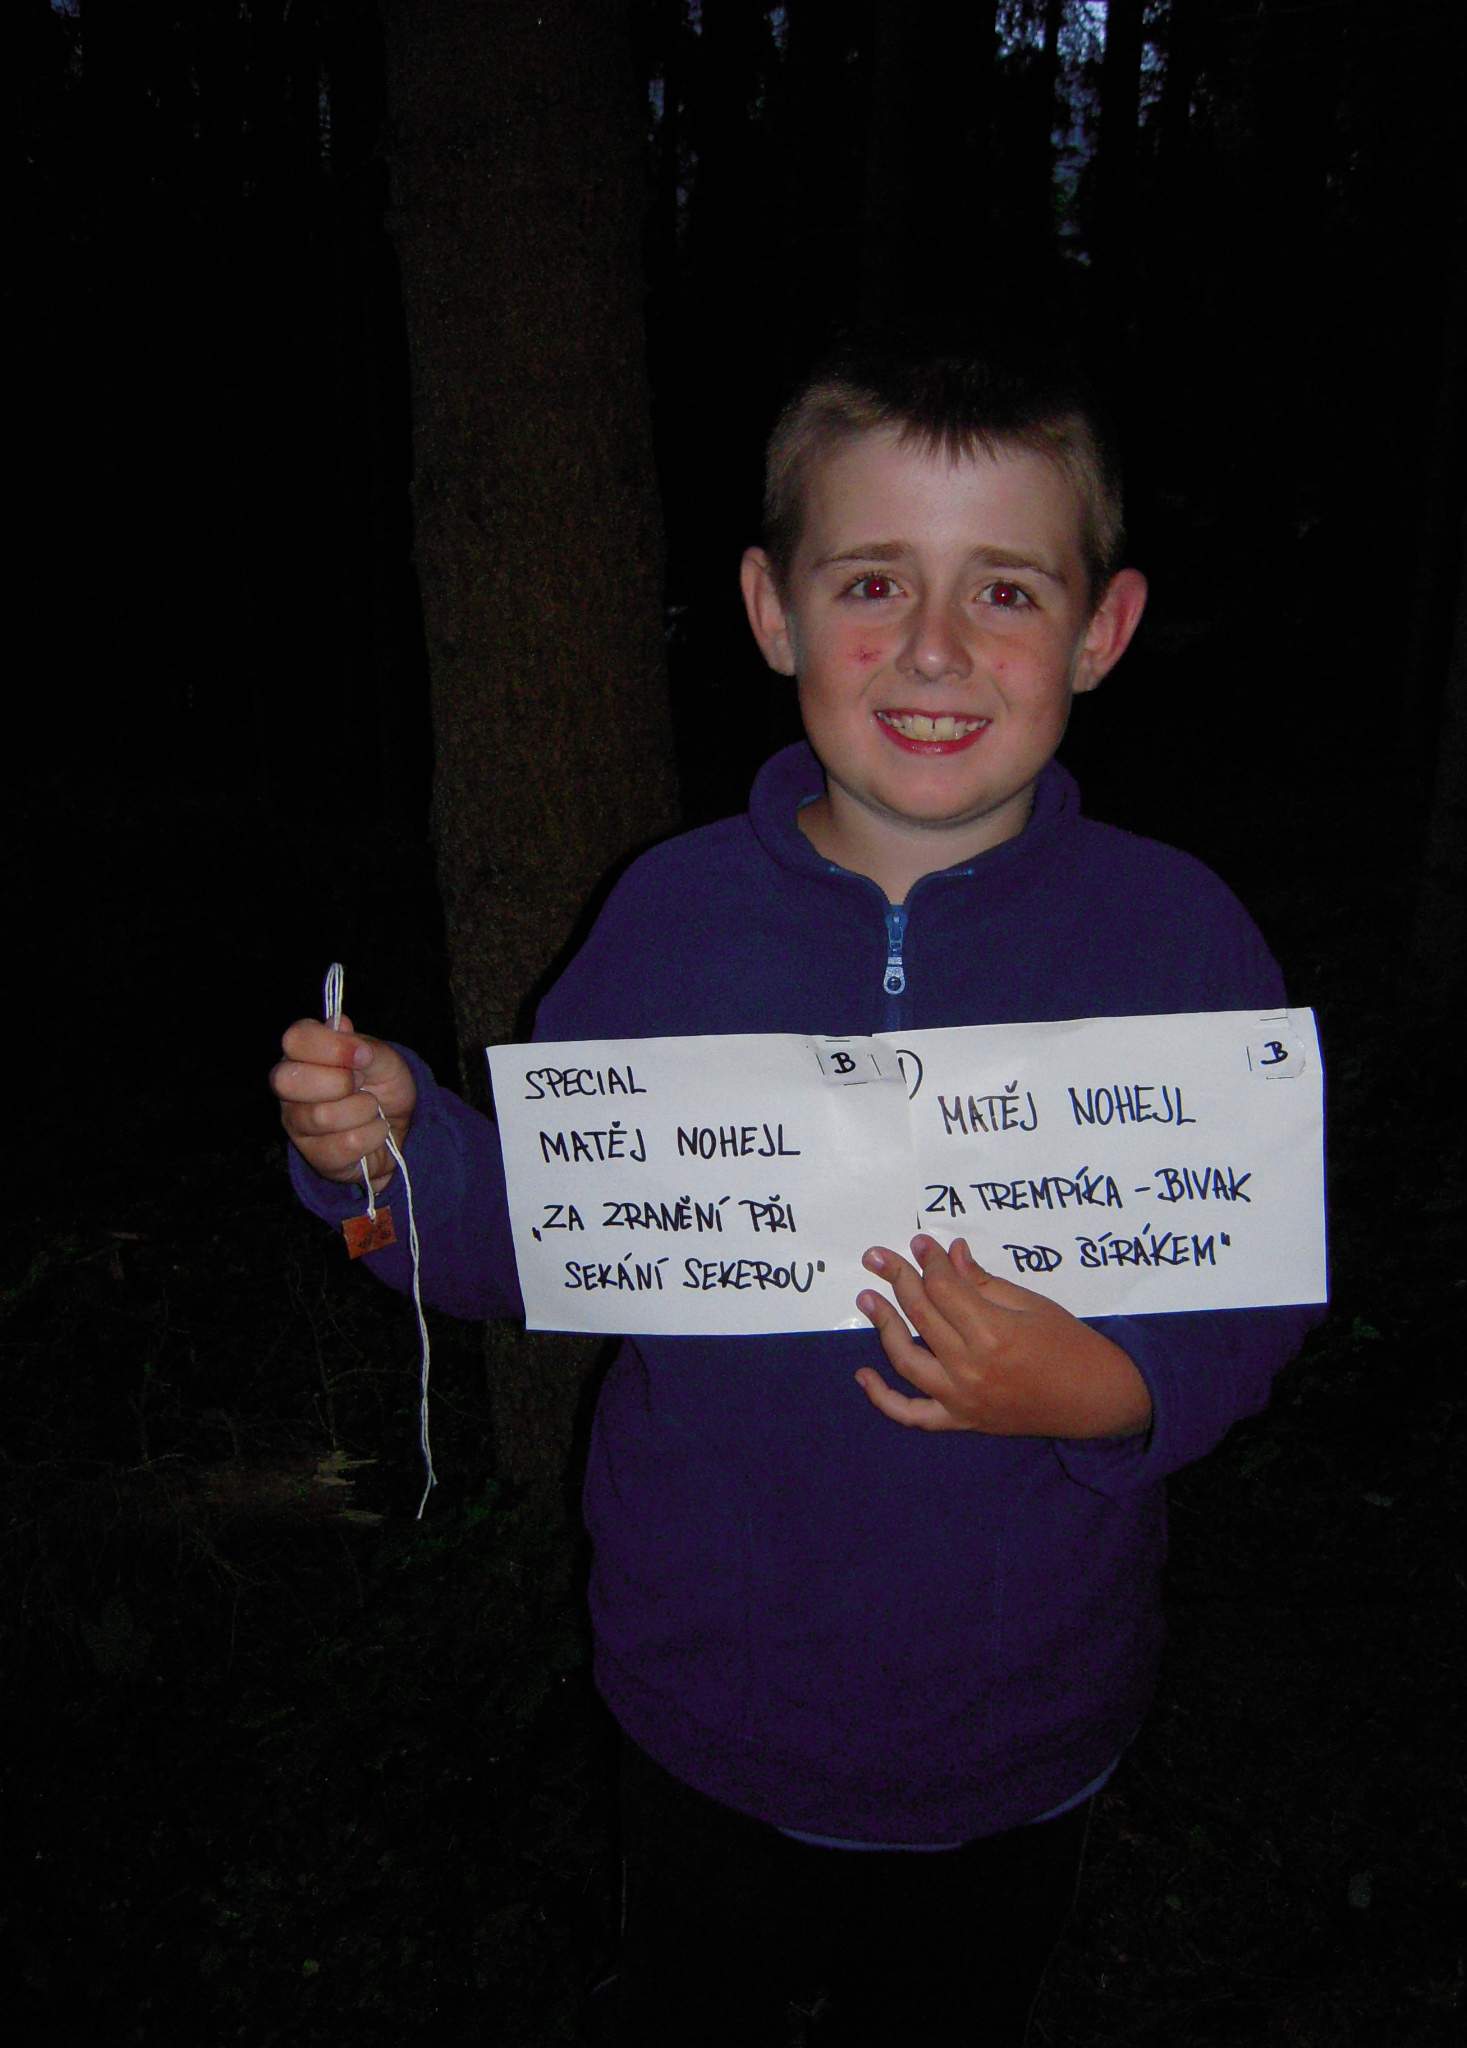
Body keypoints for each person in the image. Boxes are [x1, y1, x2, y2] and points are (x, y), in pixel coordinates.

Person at [271, 348, 1320, 2046]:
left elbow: (1256, 1282)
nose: (934, 647)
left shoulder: (1181, 939)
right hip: (704, 1702)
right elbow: (541, 1235)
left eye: (1006, 589)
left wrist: (1113, 1391)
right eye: (871, 582)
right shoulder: (668, 920)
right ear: (772, 611)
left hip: (1024, 1718)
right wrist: (387, 1156)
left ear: (1103, 630)